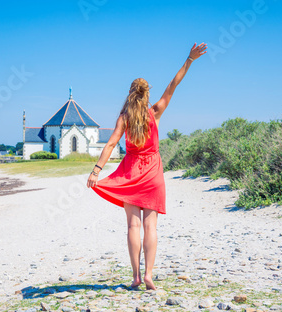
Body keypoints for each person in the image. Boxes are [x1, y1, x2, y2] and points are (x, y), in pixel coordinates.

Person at [86, 42, 207, 290]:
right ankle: (149, 275)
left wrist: (96, 171)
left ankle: (136, 277)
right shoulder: (156, 111)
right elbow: (173, 86)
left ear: (130, 94)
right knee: (151, 226)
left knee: (133, 225)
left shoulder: (124, 118)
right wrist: (189, 59)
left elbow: (110, 145)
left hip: (131, 175)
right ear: (147, 94)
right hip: (153, 174)